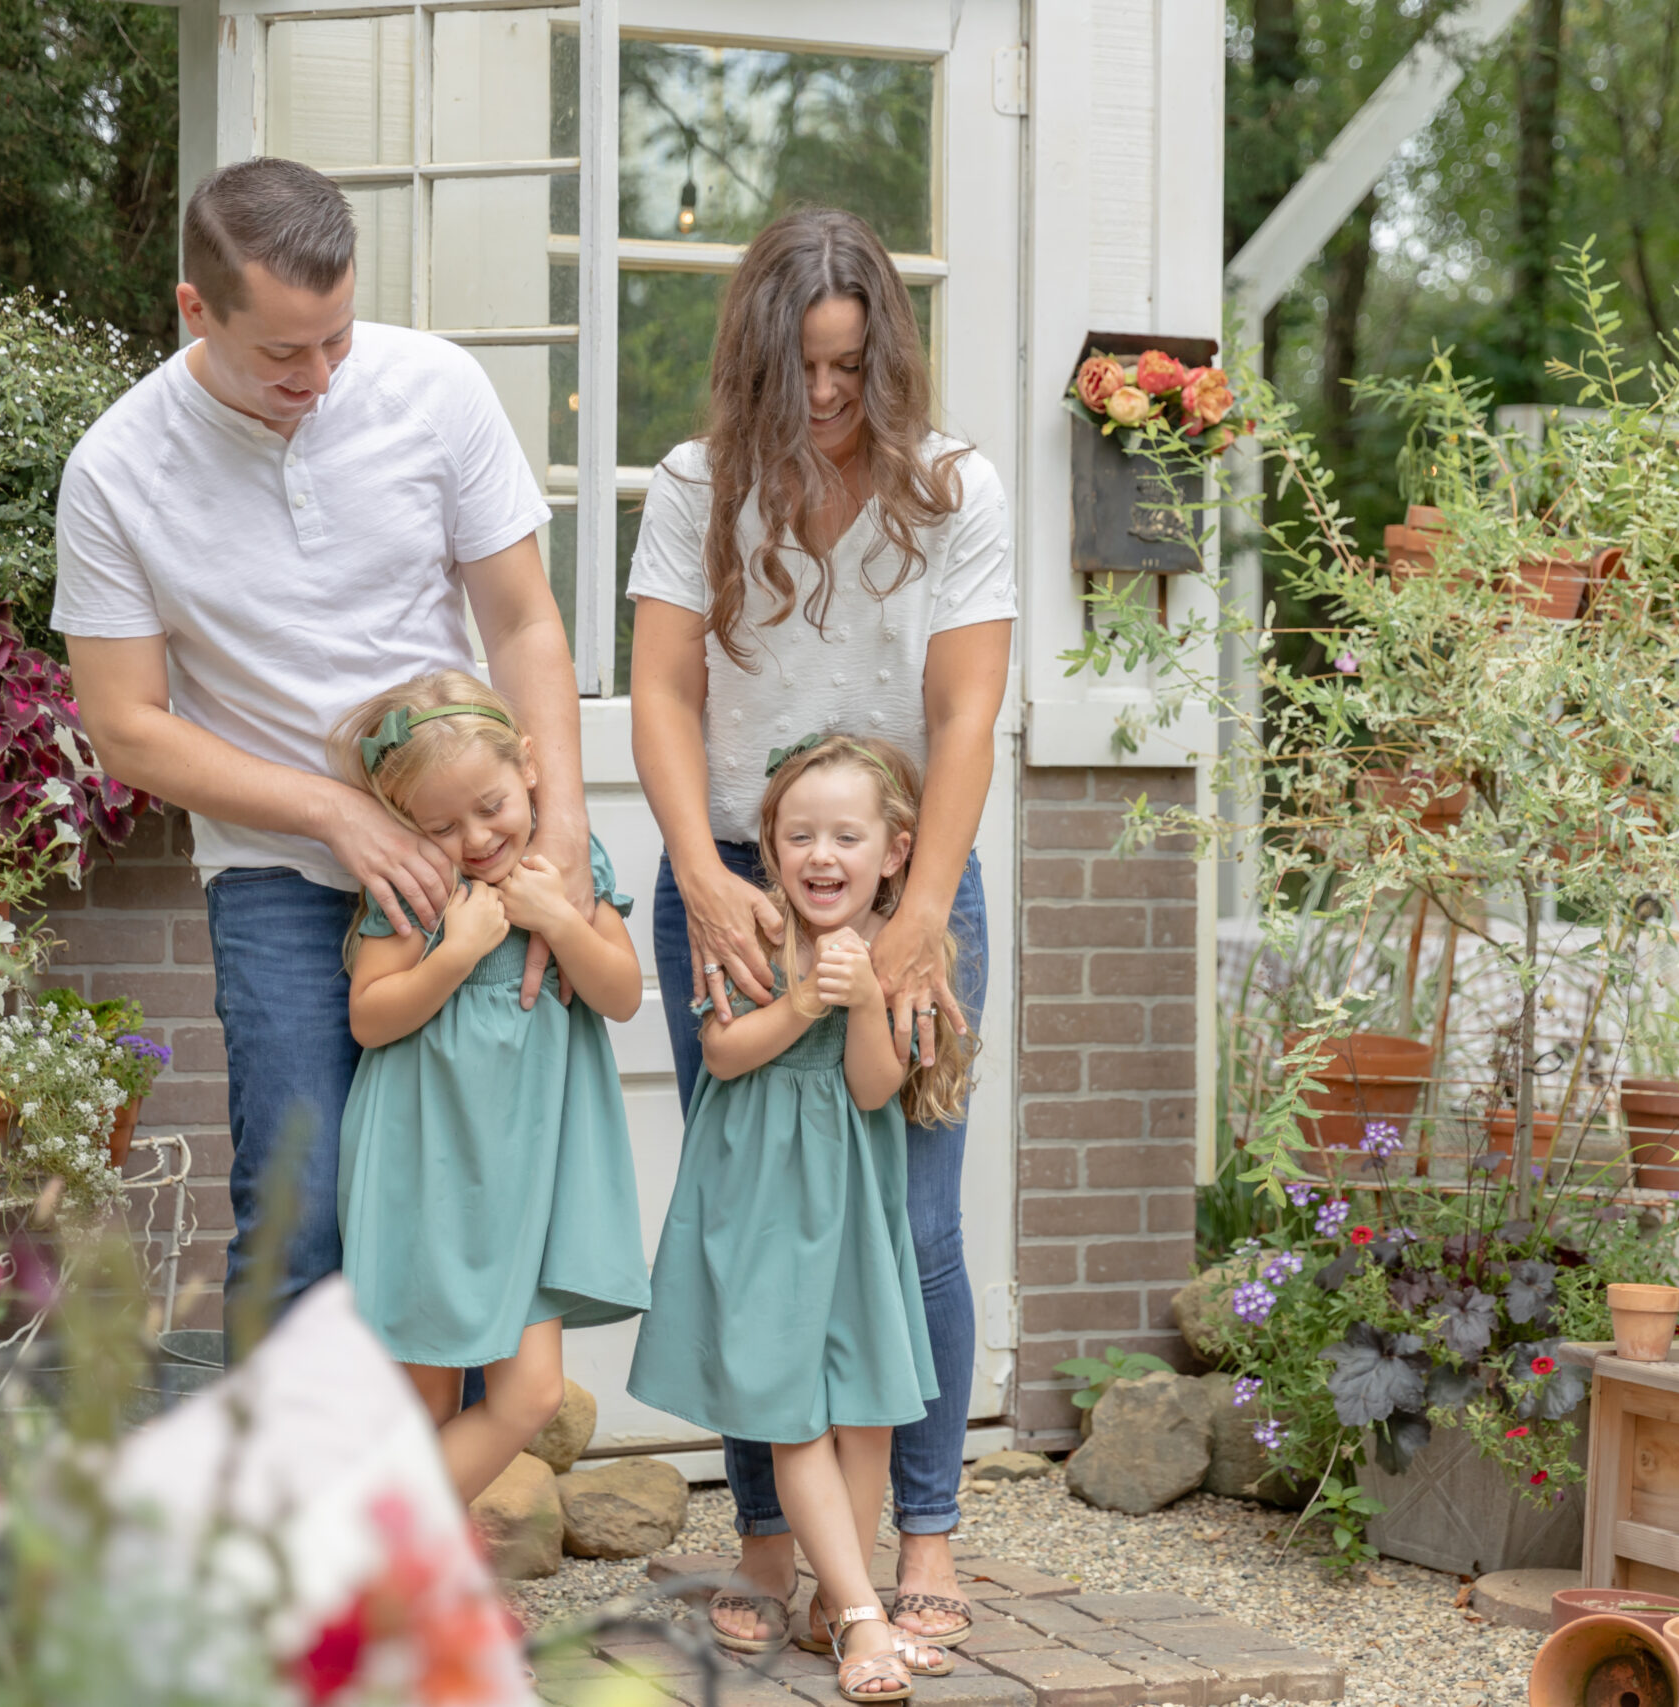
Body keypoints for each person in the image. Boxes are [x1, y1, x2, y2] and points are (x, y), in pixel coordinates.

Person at [54, 158, 591, 1341]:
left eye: (336, 340)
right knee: (301, 1216)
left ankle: (423, 1507)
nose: (317, 377)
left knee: (462, 1202)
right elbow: (125, 723)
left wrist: (558, 844)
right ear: (195, 307)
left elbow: (523, 621)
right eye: (282, 354)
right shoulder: (114, 471)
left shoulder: (436, 390)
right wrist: (336, 812)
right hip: (280, 882)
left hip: (471, 868)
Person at [628, 206, 1013, 1649]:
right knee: (758, 1224)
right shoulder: (694, 483)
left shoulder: (954, 488)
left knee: (913, 1221)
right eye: (807, 370)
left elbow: (967, 708)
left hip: (915, 869)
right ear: (758, 363)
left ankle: (924, 1527)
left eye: (854, 366)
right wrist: (703, 871)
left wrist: (920, 911)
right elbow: (662, 691)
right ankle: (770, 1540)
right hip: (733, 868)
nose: (834, 396)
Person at [628, 736, 973, 1701]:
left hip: (853, 1200)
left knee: (862, 1406)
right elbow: (724, 1054)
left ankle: (837, 1594)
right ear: (769, 848)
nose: (822, 855)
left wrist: (863, 1001)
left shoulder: (900, 957)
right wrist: (799, 1003)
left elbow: (874, 1090)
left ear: (894, 852)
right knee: (793, 1403)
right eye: (799, 834)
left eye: (846, 836)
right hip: (763, 1198)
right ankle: (864, 1621)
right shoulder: (753, 933)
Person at [327, 671, 646, 1502]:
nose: (473, 837)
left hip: (532, 1169)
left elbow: (619, 994)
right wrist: (458, 951)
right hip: (428, 1157)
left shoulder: (566, 867)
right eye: (440, 823)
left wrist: (562, 919)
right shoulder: (417, 887)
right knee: (424, 1396)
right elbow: (371, 1014)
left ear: (530, 766)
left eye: (491, 805)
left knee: (532, 1393)